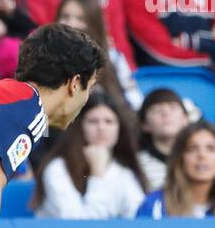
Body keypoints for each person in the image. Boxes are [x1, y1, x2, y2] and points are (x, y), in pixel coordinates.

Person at [0, 24, 104, 228]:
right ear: (74, 83)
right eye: (90, 87)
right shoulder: (26, 108)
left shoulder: (11, 101)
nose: (85, 100)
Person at [32, 90, 147, 218]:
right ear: (80, 127)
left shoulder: (124, 171)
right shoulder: (58, 169)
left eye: (109, 121)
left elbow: (139, 219)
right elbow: (79, 224)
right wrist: (97, 174)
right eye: (93, 121)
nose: (101, 128)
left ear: (119, 128)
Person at [54, 0, 141, 111]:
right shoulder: (44, 57)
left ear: (94, 23)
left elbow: (134, 101)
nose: (71, 24)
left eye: (80, 19)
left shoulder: (113, 57)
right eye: (65, 16)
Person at [136, 118, 215, 217]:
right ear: (179, 158)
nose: (202, 155)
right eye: (192, 148)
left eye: (211, 148)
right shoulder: (154, 205)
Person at [134, 86, 188, 189]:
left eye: (173, 107)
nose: (165, 113)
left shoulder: (197, 157)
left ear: (185, 119)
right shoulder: (137, 164)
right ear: (144, 124)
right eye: (156, 110)